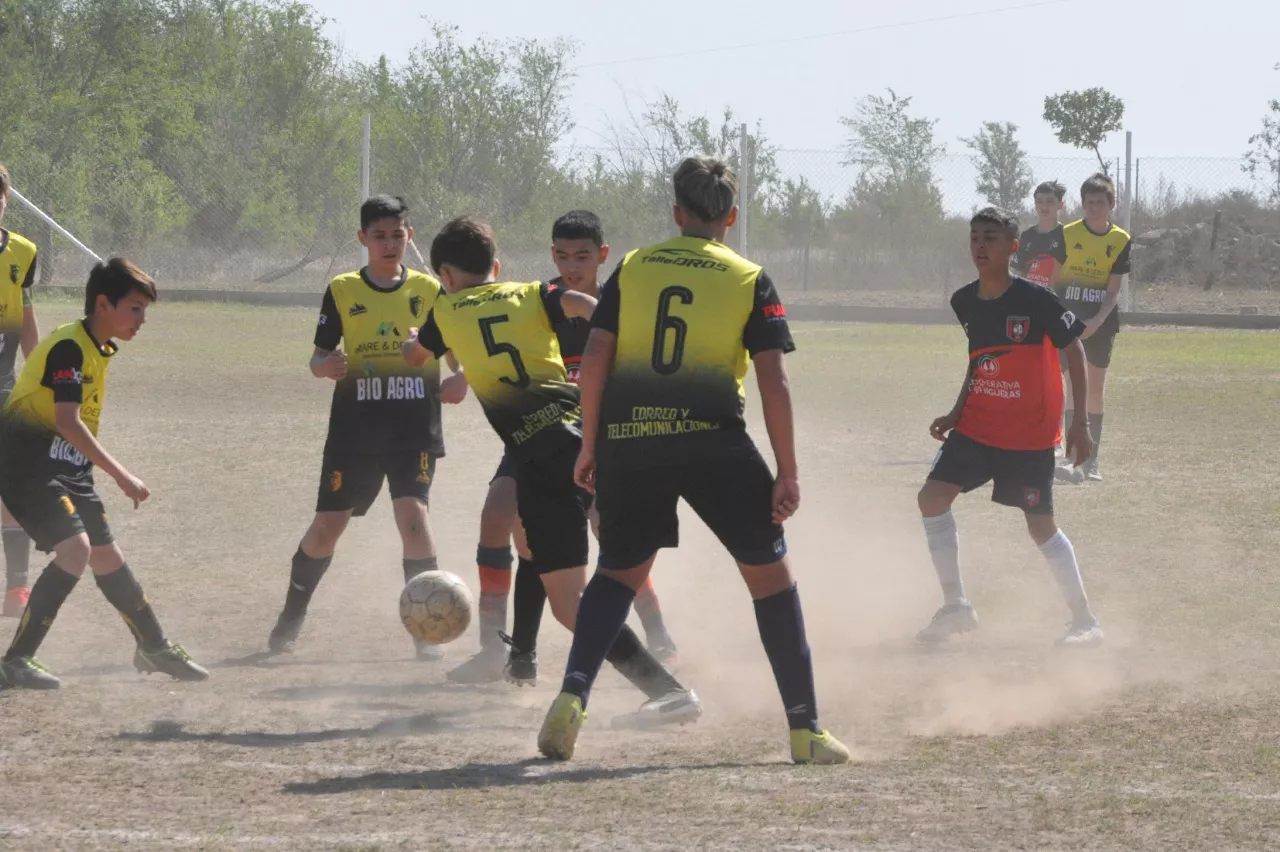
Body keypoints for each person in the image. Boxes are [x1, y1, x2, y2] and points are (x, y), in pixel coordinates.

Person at [537, 156, 849, 764]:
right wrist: (788, 470)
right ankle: (805, 730)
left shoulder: (632, 267)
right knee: (770, 579)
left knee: (618, 572)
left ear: (677, 214)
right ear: (731, 216)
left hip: (631, 438)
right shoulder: (749, 276)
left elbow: (596, 358)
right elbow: (774, 382)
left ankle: (573, 695)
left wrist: (592, 442)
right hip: (715, 442)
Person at [403, 216, 700, 730]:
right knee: (557, 566)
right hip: (585, 438)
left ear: (445, 276)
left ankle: (664, 688)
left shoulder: (444, 310)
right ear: (496, 266)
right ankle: (533, 658)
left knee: (572, 600)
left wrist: (417, 338)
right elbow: (578, 304)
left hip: (545, 459)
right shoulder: (528, 293)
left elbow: (415, 355)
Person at [267, 195, 465, 660]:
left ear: (409, 236)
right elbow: (317, 357)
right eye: (379, 236)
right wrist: (325, 365)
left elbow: (458, 353)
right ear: (363, 239)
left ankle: (424, 631)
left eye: (398, 234)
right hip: (355, 432)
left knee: (412, 516)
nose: (390, 243)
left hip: (413, 428)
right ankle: (291, 616)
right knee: (326, 528)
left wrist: (461, 377)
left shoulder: (429, 290)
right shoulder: (342, 290)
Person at [0, 258, 208, 689]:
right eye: (134, 308)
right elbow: (67, 420)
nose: (141, 319)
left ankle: (154, 646)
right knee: (75, 550)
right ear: (103, 304)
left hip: (66, 468)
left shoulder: (98, 347)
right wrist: (121, 474)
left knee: (106, 555)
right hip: (26, 464)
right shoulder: (70, 347)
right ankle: (14, 661)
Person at [915, 206, 1103, 649]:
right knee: (931, 498)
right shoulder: (963, 300)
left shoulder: (1034, 299)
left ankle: (1085, 620)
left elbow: (1073, 351)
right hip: (978, 426)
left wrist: (1078, 422)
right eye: (975, 238)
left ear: (1012, 247)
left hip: (1029, 434)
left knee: (1041, 528)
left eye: (991, 239)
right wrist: (957, 411)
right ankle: (956, 605)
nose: (980, 247)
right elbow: (981, 360)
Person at [1055, 173, 1131, 483]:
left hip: (1100, 324)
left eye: (1101, 202)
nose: (1094, 208)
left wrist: (1096, 321)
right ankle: (1073, 457)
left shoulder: (1121, 240)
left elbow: (1113, 291)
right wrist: (1066, 320)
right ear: (1082, 204)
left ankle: (1093, 461)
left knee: (1095, 391)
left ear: (1111, 204)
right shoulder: (1067, 234)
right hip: (1067, 322)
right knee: (1072, 389)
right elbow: (1055, 282)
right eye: (1089, 202)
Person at [0, 163, 41, 618]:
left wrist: (40, 377)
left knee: (12, 486)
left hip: (5, 386)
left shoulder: (23, 252)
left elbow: (27, 320)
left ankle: (17, 588)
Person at [1013, 180, 1068, 289]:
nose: (1044, 206)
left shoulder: (1068, 235)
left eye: (1050, 201)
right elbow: (1018, 272)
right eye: (1039, 201)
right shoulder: (1026, 236)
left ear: (1060, 204)